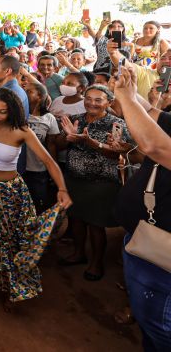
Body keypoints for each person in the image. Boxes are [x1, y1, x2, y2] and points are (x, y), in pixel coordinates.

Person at [0, 88, 72, 309]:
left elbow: (49, 162)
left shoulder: (22, 131)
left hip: (10, 193)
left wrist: (62, 189)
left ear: (12, 111)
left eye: (2, 111)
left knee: (8, 243)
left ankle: (11, 288)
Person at [113, 61, 171, 350]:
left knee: (160, 328)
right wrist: (131, 91)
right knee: (150, 328)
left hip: (164, 258)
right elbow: (153, 116)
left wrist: (124, 98)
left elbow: (155, 146)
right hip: (147, 242)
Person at [57, 85, 134, 281]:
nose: (92, 102)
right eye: (88, 98)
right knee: (75, 219)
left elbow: (118, 152)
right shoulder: (78, 119)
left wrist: (90, 142)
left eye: (98, 100)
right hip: (75, 180)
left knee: (95, 224)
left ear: (109, 103)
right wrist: (67, 137)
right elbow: (59, 144)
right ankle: (79, 253)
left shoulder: (116, 124)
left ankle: (96, 262)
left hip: (101, 184)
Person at [23, 82, 60, 213]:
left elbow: (51, 145)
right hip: (19, 169)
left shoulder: (49, 118)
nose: (24, 93)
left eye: (28, 91)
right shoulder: (20, 115)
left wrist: (52, 170)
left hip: (38, 170)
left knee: (38, 204)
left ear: (39, 96)